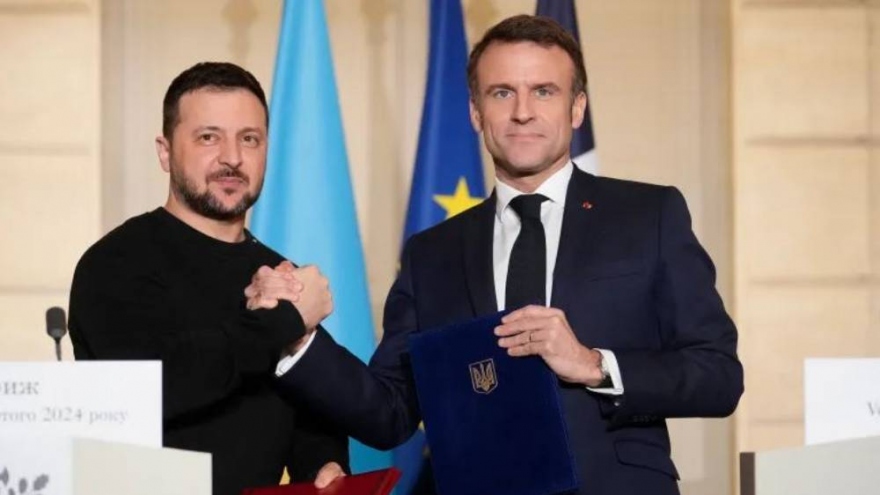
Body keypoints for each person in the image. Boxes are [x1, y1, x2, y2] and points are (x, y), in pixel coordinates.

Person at [272, 15, 744, 495]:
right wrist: (300, 336)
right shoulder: (430, 253)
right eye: (502, 93)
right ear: (476, 112)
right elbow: (389, 413)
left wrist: (594, 364)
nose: (523, 112)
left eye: (544, 91)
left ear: (577, 108)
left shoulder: (649, 215)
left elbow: (719, 376)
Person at [68, 62, 347, 495]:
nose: (232, 158)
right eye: (208, 137)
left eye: (249, 139)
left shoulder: (280, 274)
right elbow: (153, 389)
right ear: (165, 152)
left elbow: (309, 416)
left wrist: (324, 464)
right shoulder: (114, 263)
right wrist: (283, 322)